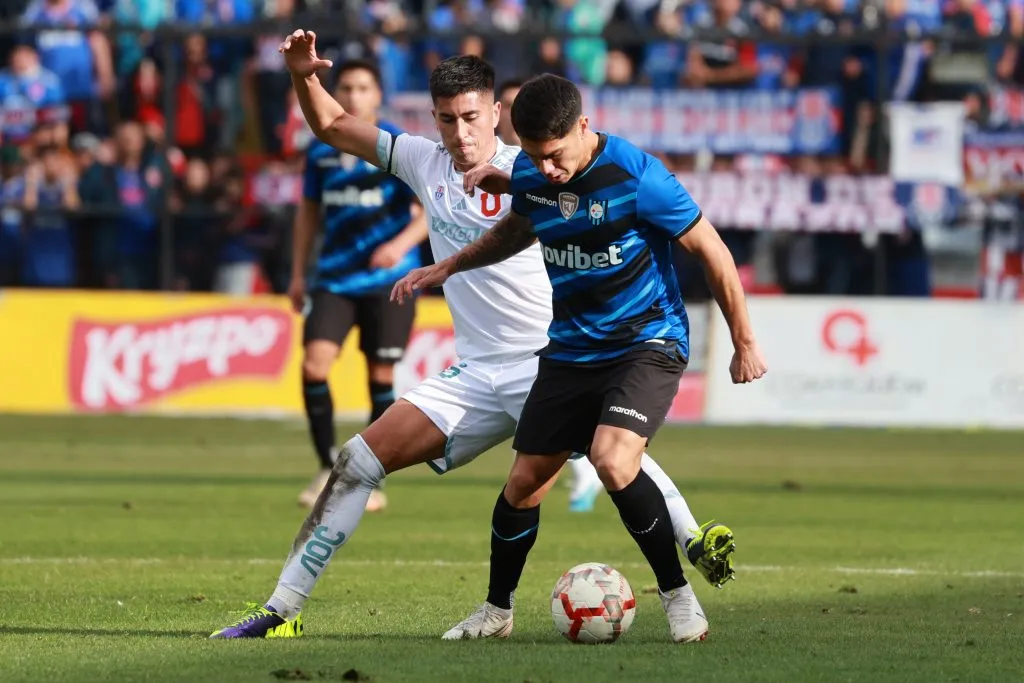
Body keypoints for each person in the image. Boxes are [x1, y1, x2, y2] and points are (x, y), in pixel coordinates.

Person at [210, 31, 736, 640]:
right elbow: (331, 126)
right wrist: (303, 76)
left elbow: (611, 201)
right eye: (445, 119)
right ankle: (282, 611)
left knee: (614, 458)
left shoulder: (540, 168)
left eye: (470, 118)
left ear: (496, 113)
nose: (459, 134)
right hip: (480, 373)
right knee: (357, 460)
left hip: (555, 358)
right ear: (431, 119)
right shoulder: (419, 161)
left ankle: (694, 541)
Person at [393, 74, 767, 643]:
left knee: (613, 460)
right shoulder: (530, 173)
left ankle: (678, 598)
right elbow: (519, 227)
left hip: (647, 340)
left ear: (584, 127)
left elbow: (713, 253)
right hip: (570, 348)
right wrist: (450, 265)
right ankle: (496, 613)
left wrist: (744, 341)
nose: (546, 169)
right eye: (536, 158)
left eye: (557, 155)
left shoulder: (640, 178)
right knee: (523, 484)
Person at [289, 58, 428, 511]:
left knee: (380, 376)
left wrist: (400, 244)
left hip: (389, 281)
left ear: (378, 95)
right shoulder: (320, 151)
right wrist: (297, 272)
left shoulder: (395, 148)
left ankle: (369, 477)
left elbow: (433, 208)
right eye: (345, 87)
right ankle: (328, 466)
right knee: (314, 367)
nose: (352, 95)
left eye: (362, 87)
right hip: (333, 278)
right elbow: (308, 214)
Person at [495, 76, 604, 512]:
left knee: (570, 425)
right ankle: (588, 467)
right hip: (513, 317)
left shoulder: (562, 163)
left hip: (551, 309)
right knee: (544, 431)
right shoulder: (525, 166)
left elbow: (566, 197)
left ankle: (592, 470)